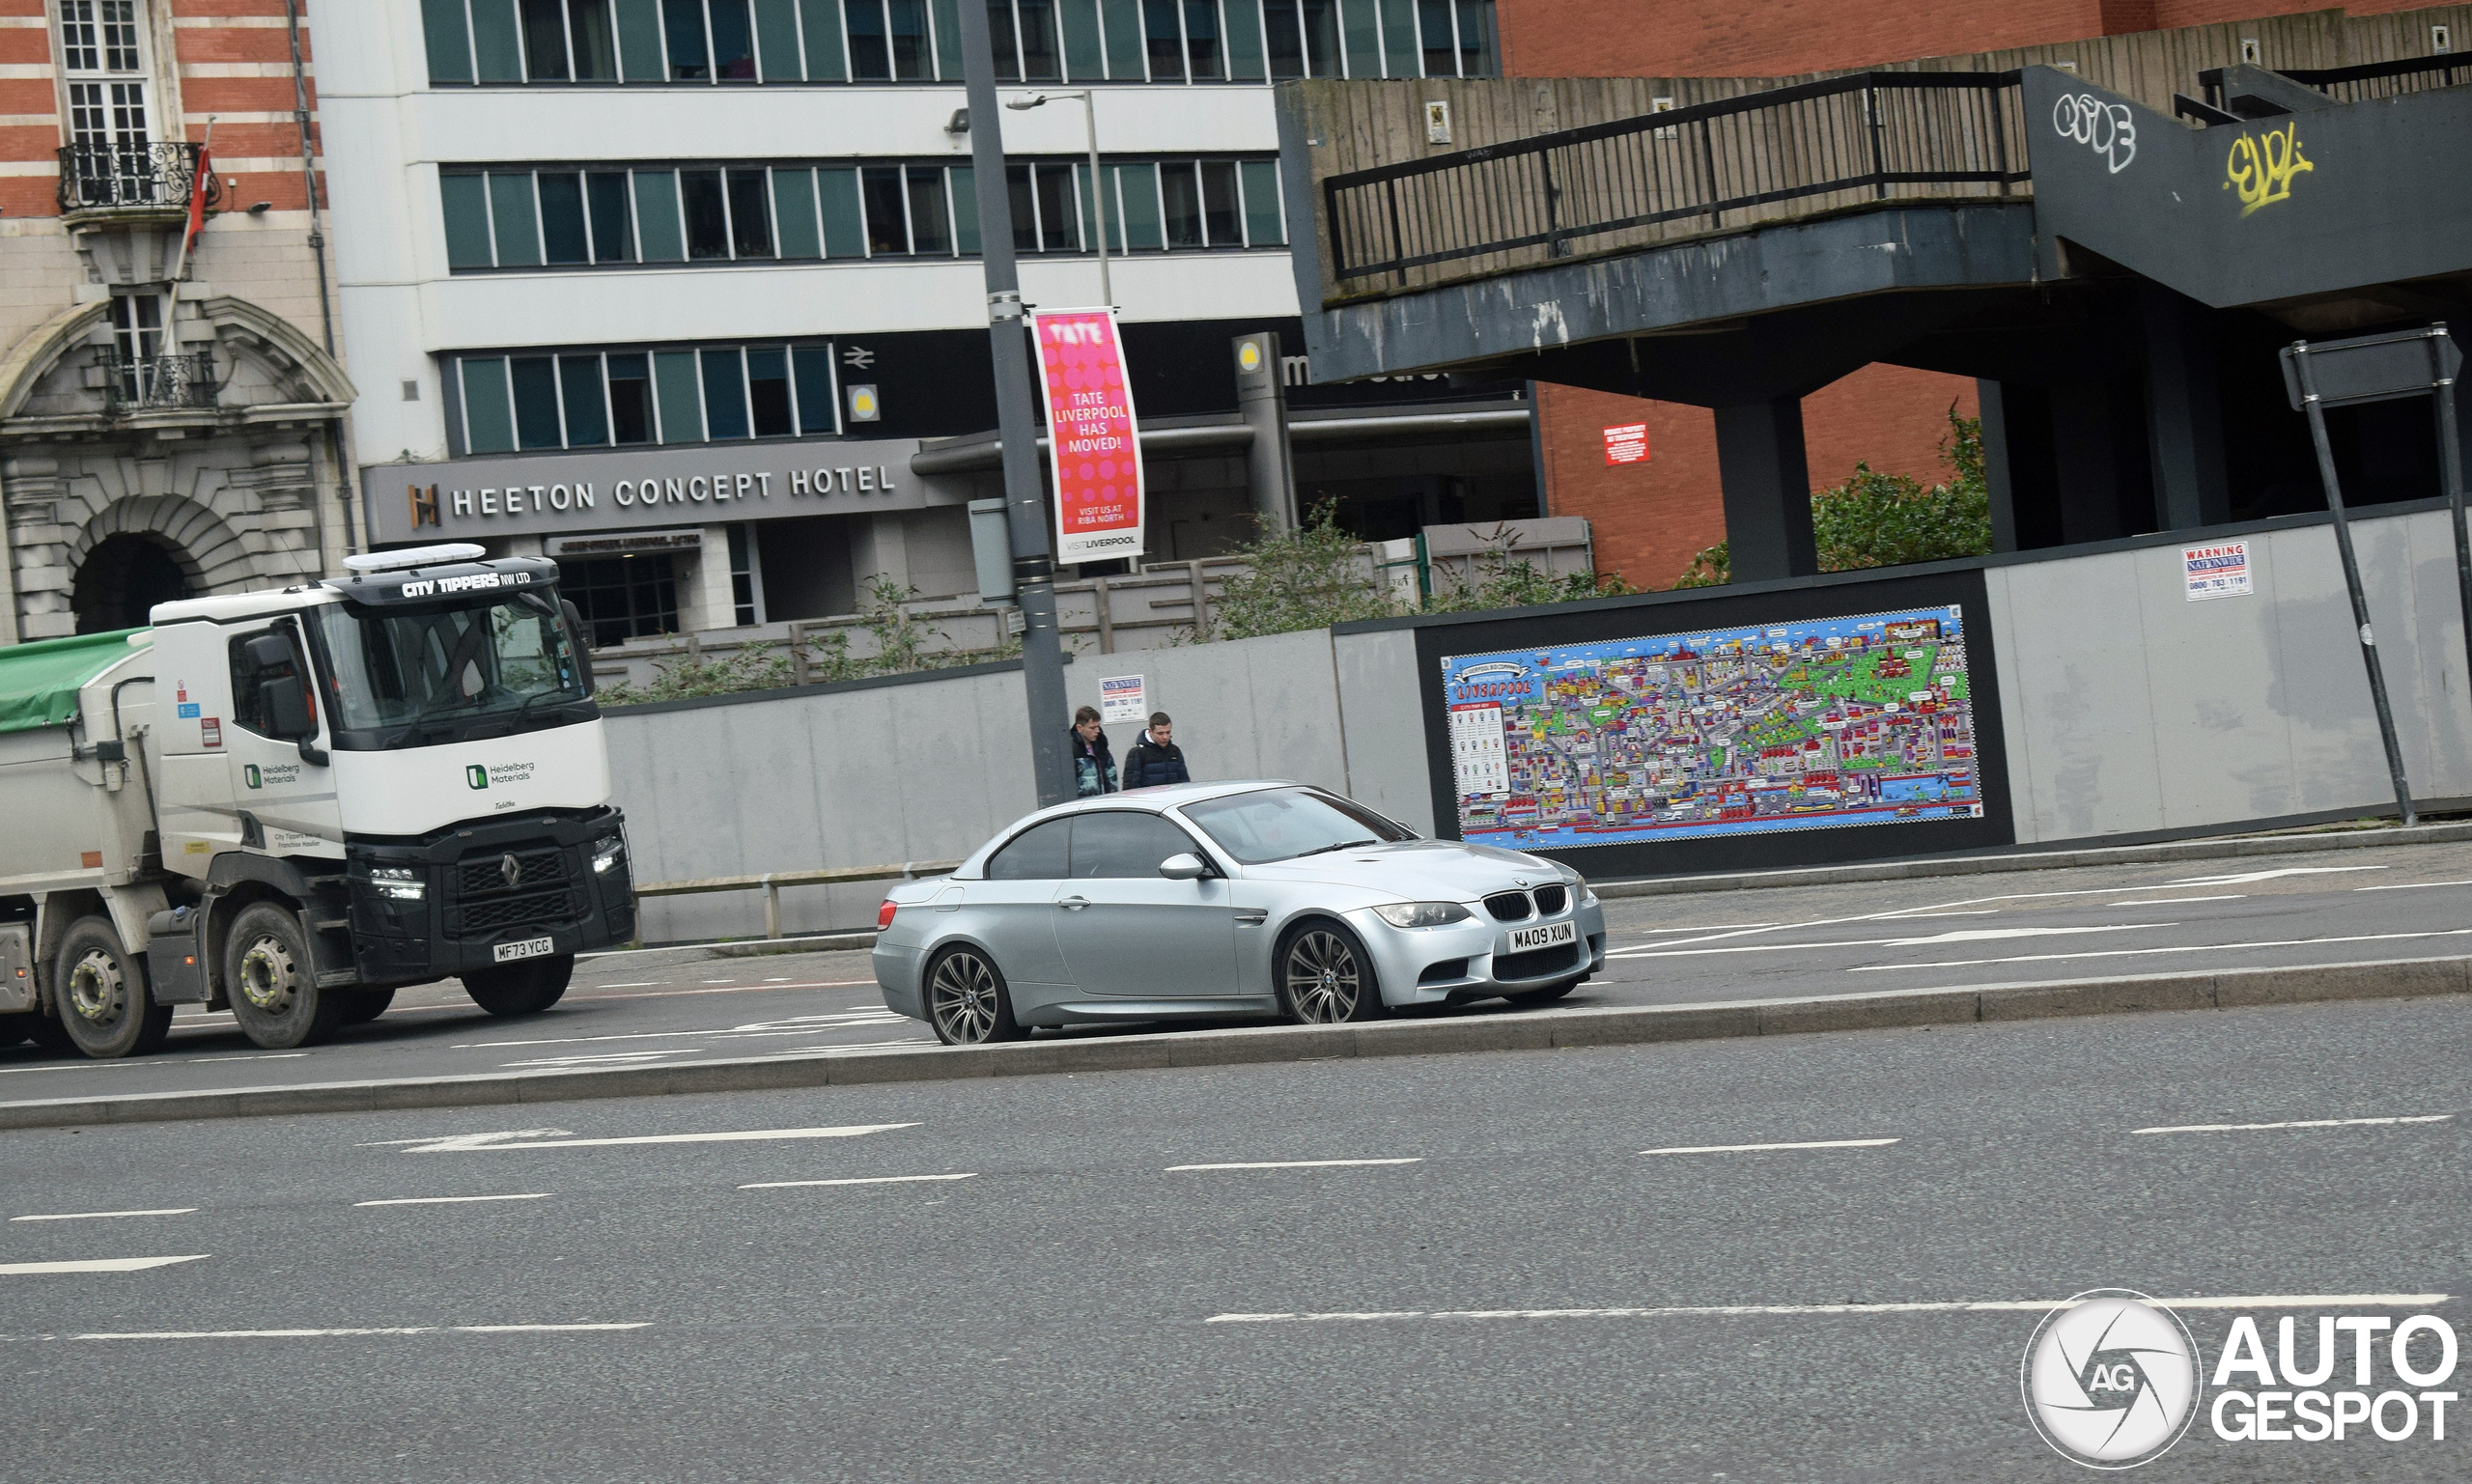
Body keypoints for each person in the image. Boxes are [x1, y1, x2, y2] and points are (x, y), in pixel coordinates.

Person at [1122, 712, 1191, 790]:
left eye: (1168, 732)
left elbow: (1184, 782)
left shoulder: (1175, 751)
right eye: (1160, 733)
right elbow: (1130, 788)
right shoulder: (1137, 753)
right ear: (1150, 731)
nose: (1165, 737)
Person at [1068, 705, 1116, 798]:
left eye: (1098, 727)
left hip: (1105, 801)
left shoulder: (1101, 746)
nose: (1097, 731)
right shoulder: (1071, 749)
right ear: (1079, 728)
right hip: (1083, 804)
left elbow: (1111, 775)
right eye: (1092, 728)